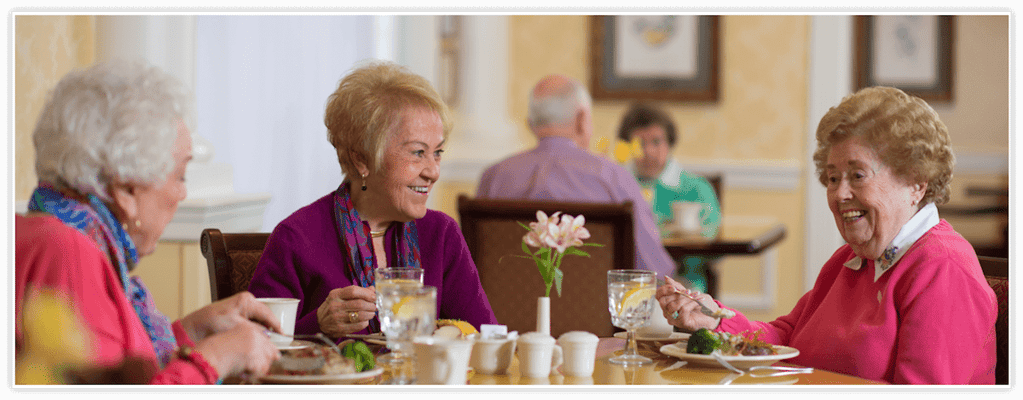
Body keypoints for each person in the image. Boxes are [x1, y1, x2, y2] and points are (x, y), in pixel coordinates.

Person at [656, 86, 997, 384]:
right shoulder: (852, 260)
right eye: (833, 178)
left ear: (915, 184)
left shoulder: (943, 269)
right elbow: (787, 337)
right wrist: (713, 320)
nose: (839, 194)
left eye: (857, 175)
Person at [15, 60, 281, 384]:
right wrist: (217, 357)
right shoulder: (68, 253)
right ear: (127, 188)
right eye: (180, 175)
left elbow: (118, 368)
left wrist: (191, 332)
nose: (183, 193)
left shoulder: (50, 232)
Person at [247, 60, 497, 340]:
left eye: (437, 152)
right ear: (362, 159)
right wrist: (317, 323)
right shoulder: (297, 238)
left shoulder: (441, 234)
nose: (433, 172)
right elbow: (253, 346)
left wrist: (450, 333)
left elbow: (486, 334)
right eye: (417, 153)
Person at [476, 74, 676, 277]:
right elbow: (654, 269)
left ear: (531, 124)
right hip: (596, 307)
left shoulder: (493, 178)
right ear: (581, 119)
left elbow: (475, 262)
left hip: (508, 306)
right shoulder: (613, 178)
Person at [617, 102, 722, 292]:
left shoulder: (696, 188)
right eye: (640, 143)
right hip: (628, 284)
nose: (648, 152)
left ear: (669, 143)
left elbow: (712, 240)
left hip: (684, 284)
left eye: (656, 142)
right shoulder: (617, 186)